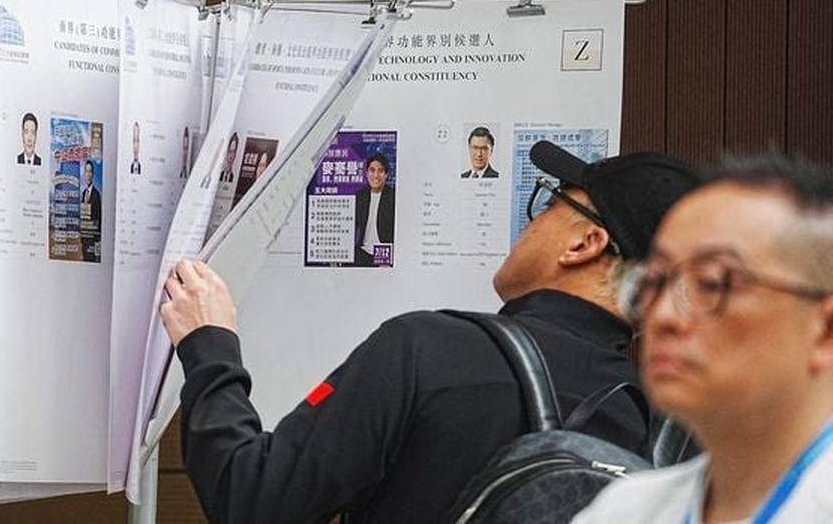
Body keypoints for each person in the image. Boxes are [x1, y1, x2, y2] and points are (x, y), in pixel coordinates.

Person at [159, 141, 696, 523]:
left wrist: (209, 344)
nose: (530, 221)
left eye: (553, 203)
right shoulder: (678, 433)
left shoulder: (427, 353)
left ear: (584, 244)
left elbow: (253, 501)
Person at [573, 155, 833, 523]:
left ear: (825, 329)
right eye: (654, 282)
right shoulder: (626, 508)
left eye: (714, 283)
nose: (663, 316)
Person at [353, 152, 396, 266]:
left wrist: (390, 260)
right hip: (362, 252)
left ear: (386, 174)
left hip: (384, 254)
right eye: (372, 170)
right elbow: (350, 225)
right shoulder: (360, 196)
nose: (376, 176)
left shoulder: (393, 197)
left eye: (380, 171)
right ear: (367, 173)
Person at [80, 159, 102, 262]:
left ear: (92, 174)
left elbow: (98, 218)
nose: (88, 174)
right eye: (86, 171)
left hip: (93, 240)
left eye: (90, 172)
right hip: (85, 239)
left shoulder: (96, 195)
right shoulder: (84, 193)